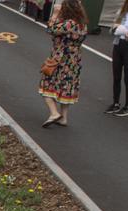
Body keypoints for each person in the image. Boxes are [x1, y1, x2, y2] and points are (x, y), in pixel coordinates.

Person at [38, 0, 87, 128]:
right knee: (67, 87)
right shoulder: (82, 24)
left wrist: (54, 14)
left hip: (60, 59)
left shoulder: (69, 24)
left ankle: (54, 113)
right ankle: (64, 117)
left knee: (46, 82)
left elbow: (51, 29)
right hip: (74, 60)